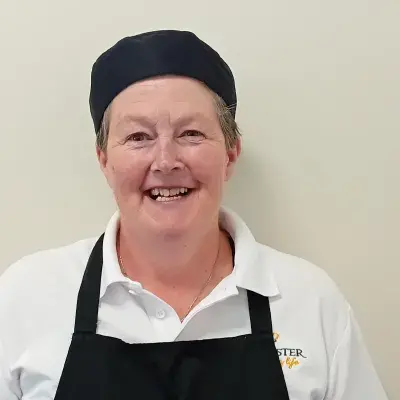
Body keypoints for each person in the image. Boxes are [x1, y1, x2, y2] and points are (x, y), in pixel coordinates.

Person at [0, 30, 388, 400]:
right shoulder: (28, 297)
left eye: (191, 134)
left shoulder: (310, 301)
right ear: (104, 159)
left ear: (230, 153)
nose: (166, 161)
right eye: (138, 137)